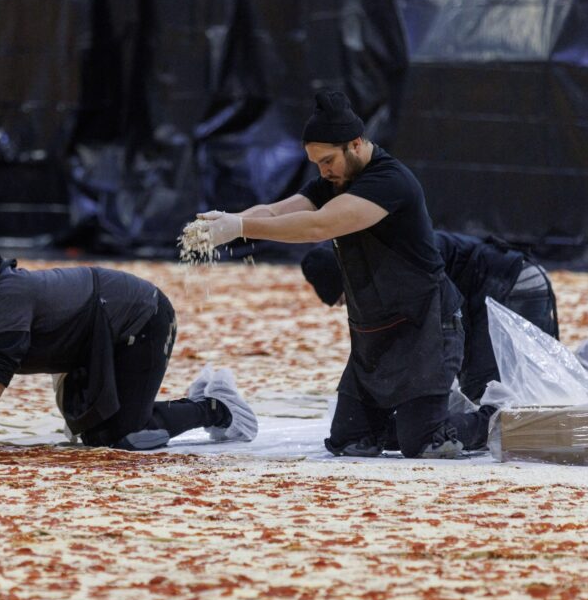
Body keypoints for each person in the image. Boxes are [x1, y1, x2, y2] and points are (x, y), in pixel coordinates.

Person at [198, 90, 490, 459]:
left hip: (426, 324)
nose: (323, 171)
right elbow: (275, 213)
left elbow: (319, 226)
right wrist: (224, 221)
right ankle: (415, 416)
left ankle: (491, 416)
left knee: (426, 442)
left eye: (328, 160)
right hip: (375, 329)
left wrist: (240, 227)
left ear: (355, 144)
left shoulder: (389, 181)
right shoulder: (334, 181)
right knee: (349, 442)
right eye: (316, 163)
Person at [0, 239, 257, 455]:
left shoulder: (9, 294)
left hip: (142, 320)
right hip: (94, 342)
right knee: (97, 435)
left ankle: (216, 408)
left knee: (129, 437)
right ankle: (193, 405)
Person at [301, 231, 559, 403]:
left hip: (512, 283)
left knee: (488, 389)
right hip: (506, 281)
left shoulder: (392, 266)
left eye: (346, 298)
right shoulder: (376, 253)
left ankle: (539, 433)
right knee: (495, 386)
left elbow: (435, 325)